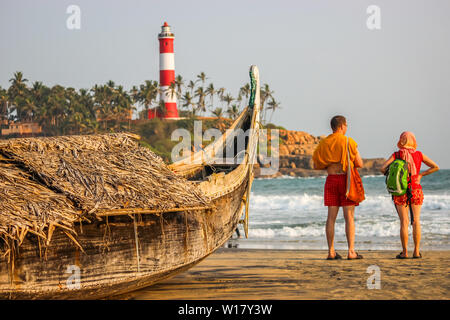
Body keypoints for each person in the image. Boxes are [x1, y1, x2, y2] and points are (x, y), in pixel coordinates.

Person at [380, 131, 439, 259]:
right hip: (415, 188)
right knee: (416, 221)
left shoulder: (397, 154)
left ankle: (405, 252)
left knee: (404, 222)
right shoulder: (419, 154)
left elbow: (382, 168)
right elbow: (435, 167)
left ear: (401, 141)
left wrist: (392, 174)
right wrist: (420, 175)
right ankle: (416, 252)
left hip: (400, 190)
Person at [313, 115, 364, 260]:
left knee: (331, 218)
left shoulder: (324, 143)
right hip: (346, 180)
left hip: (331, 180)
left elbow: (317, 165)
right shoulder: (348, 141)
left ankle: (331, 251)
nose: (346, 128)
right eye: (346, 125)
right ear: (342, 126)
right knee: (349, 217)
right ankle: (351, 252)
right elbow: (359, 163)